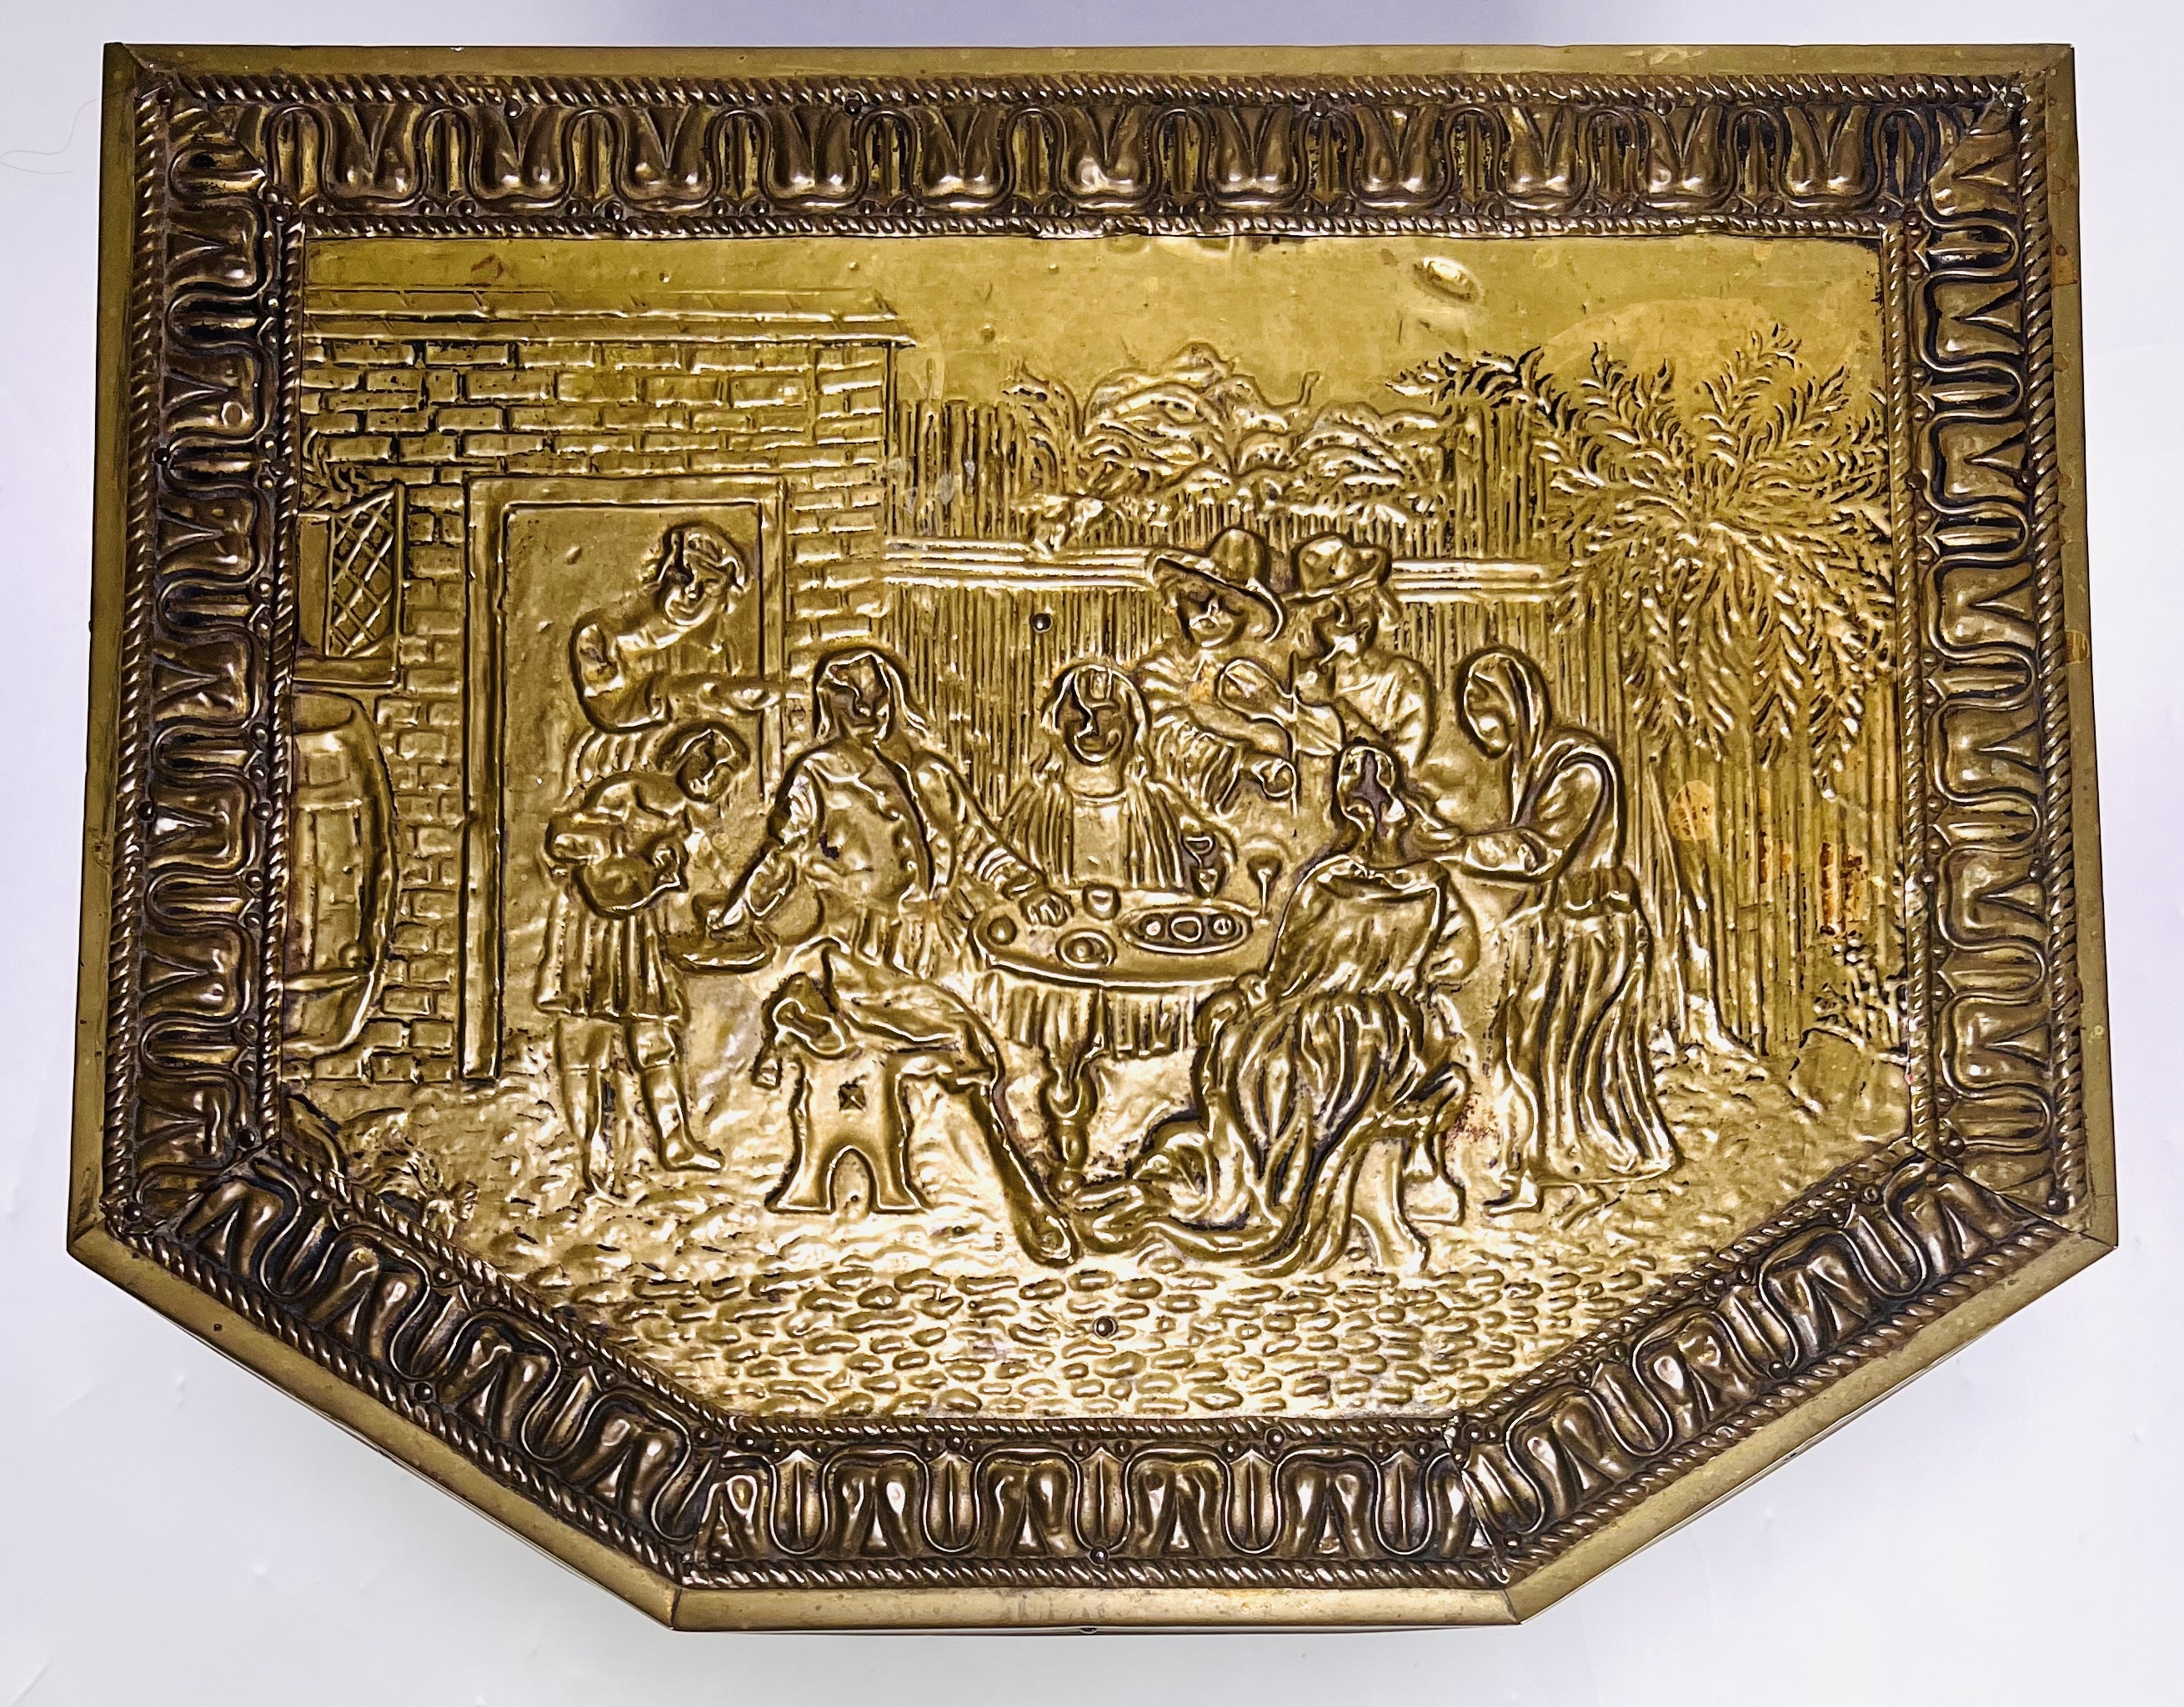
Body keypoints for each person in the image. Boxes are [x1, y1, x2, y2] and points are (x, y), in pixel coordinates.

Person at [704, 647, 1079, 1264]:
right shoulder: (819, 776)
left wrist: (1026, 887)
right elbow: (781, 858)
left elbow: (978, 844)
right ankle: (1025, 1199)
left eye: (877, 695)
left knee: (1033, 1023)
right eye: (851, 698)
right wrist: (737, 915)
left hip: (945, 947)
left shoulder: (930, 774)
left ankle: (1057, 1168)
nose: (868, 709)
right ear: (830, 706)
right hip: (865, 961)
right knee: (970, 1048)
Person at [1079, 743, 1477, 1274]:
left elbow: (1281, 975)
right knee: (1278, 1061)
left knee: (1261, 1058)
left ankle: (1273, 1188)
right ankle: (1295, 1177)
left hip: (1341, 1027)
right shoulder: (1430, 888)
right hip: (1389, 1029)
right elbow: (1458, 959)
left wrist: (1250, 997)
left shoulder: (1329, 883)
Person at [1450, 646, 1678, 1209]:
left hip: (1590, 932)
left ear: (1517, 702)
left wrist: (1457, 847)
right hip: (1553, 930)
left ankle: (1586, 1159)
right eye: (1470, 712)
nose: (1478, 725)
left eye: (1485, 707)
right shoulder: (1530, 767)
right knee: (1531, 1049)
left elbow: (1539, 853)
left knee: (1571, 1050)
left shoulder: (1580, 766)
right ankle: (1537, 1168)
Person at [992, 663, 1230, 1187]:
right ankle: (1064, 1161)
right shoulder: (1038, 803)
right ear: (1058, 724)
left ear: (1132, 724)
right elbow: (1004, 883)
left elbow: (1204, 867)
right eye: (1078, 716)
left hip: (1146, 963)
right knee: (1065, 1043)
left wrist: (1208, 861)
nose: (1092, 729)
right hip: (1060, 961)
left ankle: (1150, 1154)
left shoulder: (1156, 804)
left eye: (1106, 715)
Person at [535, 722, 749, 1198]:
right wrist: (637, 863)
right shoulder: (624, 794)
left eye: (723, 772)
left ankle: (674, 1141)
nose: (711, 776)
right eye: (707, 760)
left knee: (655, 1036)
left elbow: (690, 880)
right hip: (594, 936)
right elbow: (572, 849)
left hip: (640, 935)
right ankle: (590, 1153)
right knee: (585, 1040)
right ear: (685, 753)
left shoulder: (686, 821)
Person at [563, 520, 776, 788]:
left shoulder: (723, 656)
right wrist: (694, 694)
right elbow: (612, 709)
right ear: (686, 598)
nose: (718, 639)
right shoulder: (598, 643)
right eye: (718, 612)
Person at [1135, 527, 1299, 823]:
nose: (1211, 609)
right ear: (1177, 596)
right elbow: (1165, 740)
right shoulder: (1158, 672)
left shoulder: (1251, 677)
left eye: (1231, 604)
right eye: (1198, 594)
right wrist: (1248, 751)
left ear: (1247, 617)